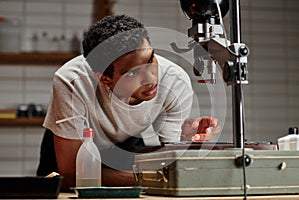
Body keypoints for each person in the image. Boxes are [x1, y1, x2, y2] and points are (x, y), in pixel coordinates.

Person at [37, 14, 220, 191]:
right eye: (132, 73)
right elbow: (72, 175)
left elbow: (169, 163)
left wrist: (185, 142)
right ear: (105, 79)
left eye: (150, 60)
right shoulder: (71, 81)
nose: (150, 79)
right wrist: (149, 178)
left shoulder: (174, 81)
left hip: (125, 141)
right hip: (72, 146)